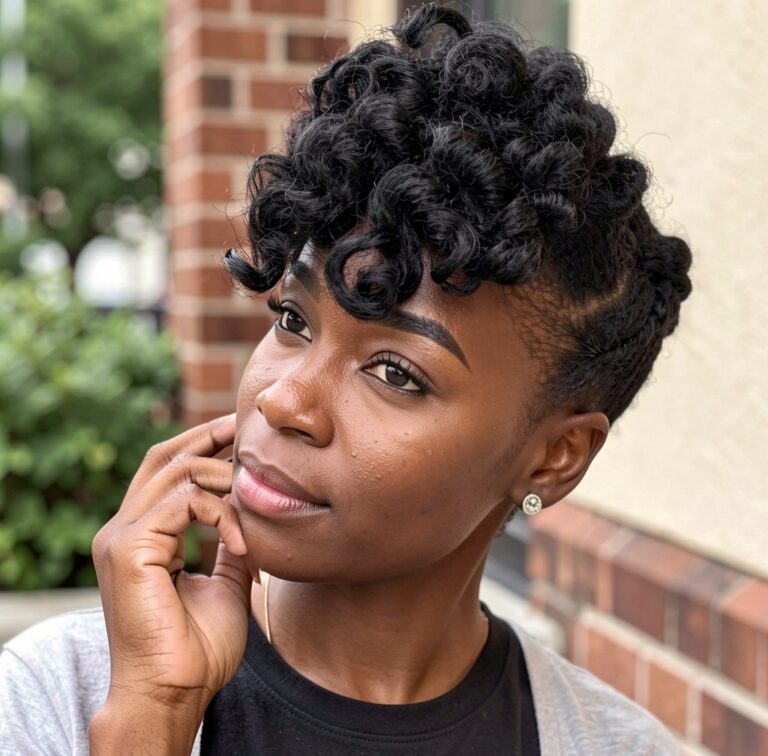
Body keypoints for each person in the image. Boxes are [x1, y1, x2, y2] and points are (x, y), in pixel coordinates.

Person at [0, 4, 691, 754]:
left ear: (553, 457)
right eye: (293, 318)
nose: (283, 398)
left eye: (395, 371)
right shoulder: (56, 700)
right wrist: (149, 720)